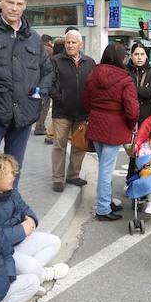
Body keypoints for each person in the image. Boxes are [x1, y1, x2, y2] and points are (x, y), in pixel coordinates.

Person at [0, 0, 54, 180]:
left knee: (13, 171)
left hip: (23, 117)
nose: (14, 8)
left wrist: (38, 97)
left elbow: (47, 71)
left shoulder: (33, 38)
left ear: (25, 5)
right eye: (10, 2)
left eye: (19, 4)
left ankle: (8, 210)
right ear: (1, 1)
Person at [0, 153, 69, 294]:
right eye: (8, 173)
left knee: (54, 241)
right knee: (31, 267)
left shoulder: (10, 191)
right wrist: (21, 230)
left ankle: (30, 277)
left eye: (13, 172)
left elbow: (25, 208)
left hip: (15, 244)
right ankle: (41, 275)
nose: (13, 176)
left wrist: (31, 219)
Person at [82, 43, 140, 221]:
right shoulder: (125, 79)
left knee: (104, 167)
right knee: (106, 169)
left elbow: (86, 101)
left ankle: (106, 201)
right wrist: (132, 125)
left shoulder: (93, 74)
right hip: (114, 128)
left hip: (96, 125)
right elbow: (132, 110)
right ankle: (103, 209)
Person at [49, 30, 95, 192]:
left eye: (73, 42)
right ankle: (58, 179)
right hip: (61, 111)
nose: (70, 45)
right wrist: (61, 99)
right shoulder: (55, 60)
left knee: (79, 145)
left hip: (83, 112)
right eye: (68, 42)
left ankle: (73, 175)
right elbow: (50, 84)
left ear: (80, 44)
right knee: (59, 145)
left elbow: (93, 86)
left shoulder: (89, 62)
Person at [127, 42, 151, 126]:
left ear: (146, 56)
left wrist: (132, 88)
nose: (139, 57)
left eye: (142, 54)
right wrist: (143, 89)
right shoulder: (125, 71)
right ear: (131, 56)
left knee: (145, 138)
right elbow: (123, 91)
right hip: (129, 112)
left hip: (147, 113)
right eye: (136, 54)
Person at [33, 34, 55, 137]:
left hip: (34, 81)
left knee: (35, 103)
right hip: (44, 81)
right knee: (45, 105)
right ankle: (40, 127)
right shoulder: (49, 50)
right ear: (48, 41)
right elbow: (49, 67)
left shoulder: (35, 47)